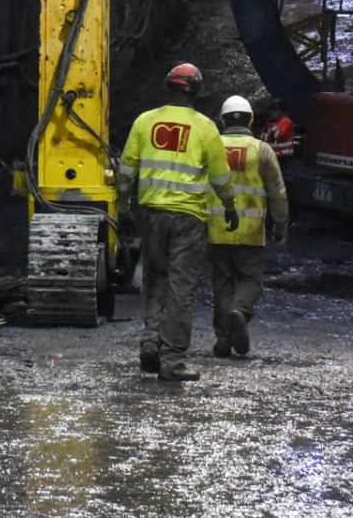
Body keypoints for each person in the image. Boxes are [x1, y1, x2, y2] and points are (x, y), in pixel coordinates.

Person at [118, 62, 238, 382]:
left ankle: (150, 342)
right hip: (188, 219)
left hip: (152, 215)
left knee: (156, 281)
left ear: (167, 87)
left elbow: (127, 168)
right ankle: (172, 363)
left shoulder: (145, 122)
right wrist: (230, 205)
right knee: (181, 290)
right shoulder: (205, 127)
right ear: (196, 91)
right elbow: (220, 177)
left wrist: (121, 204)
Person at [208, 95, 290, 359]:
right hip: (251, 230)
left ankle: (223, 339)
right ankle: (240, 311)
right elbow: (277, 190)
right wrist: (281, 222)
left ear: (222, 120)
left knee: (221, 283)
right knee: (250, 280)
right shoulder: (261, 150)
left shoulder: (211, 147)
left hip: (216, 227)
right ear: (251, 120)